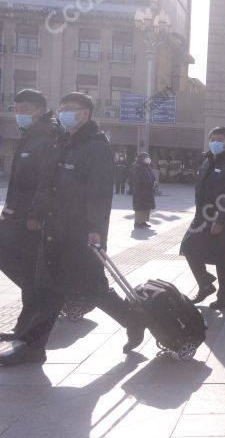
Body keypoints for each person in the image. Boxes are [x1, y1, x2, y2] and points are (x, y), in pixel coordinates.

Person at [0, 92, 145, 366]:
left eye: (71, 108)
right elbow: (47, 183)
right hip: (55, 230)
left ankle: (133, 319)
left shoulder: (96, 145)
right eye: (62, 106)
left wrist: (96, 231)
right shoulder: (63, 141)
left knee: (94, 289)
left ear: (85, 114)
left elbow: (100, 193)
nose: (64, 112)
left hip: (81, 234)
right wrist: (36, 214)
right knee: (47, 290)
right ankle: (33, 347)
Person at [0, 90, 63, 343]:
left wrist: (37, 214)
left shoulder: (48, 135)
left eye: (24, 109)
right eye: (16, 109)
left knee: (29, 270)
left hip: (32, 218)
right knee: (25, 271)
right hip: (17, 215)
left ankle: (31, 322)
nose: (19, 114)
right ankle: (30, 317)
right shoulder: (31, 135)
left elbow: (46, 181)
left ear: (39, 109)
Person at [181, 127, 225, 309]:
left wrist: (221, 220)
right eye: (213, 139)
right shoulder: (206, 160)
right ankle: (206, 284)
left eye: (220, 139)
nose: (215, 142)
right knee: (188, 246)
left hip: (221, 219)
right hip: (202, 217)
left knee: (224, 259)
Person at [131, 152, 156, 230]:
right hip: (140, 191)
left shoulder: (147, 167)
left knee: (146, 207)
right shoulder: (137, 167)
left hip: (147, 190)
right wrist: (148, 183)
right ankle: (137, 222)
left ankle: (143, 221)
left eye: (148, 156)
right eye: (146, 157)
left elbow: (152, 176)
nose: (148, 158)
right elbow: (138, 179)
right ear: (142, 159)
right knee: (140, 208)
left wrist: (153, 182)